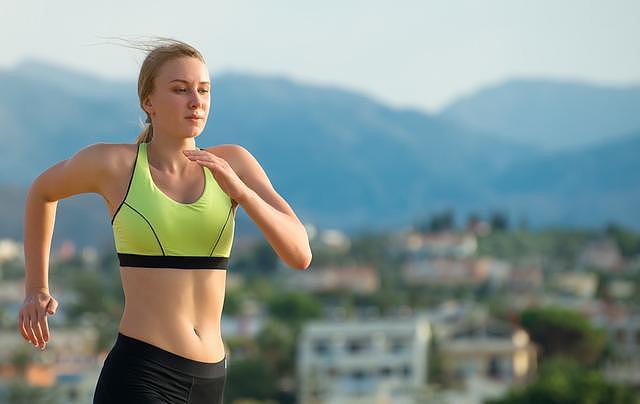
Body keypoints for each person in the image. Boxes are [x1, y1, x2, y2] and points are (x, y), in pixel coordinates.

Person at [18, 37, 312, 404]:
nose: (196, 100)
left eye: (204, 90)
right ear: (148, 102)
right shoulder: (115, 165)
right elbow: (43, 191)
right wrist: (36, 287)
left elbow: (300, 254)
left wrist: (243, 193)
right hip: (141, 374)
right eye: (180, 89)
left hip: (210, 379)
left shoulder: (234, 164)